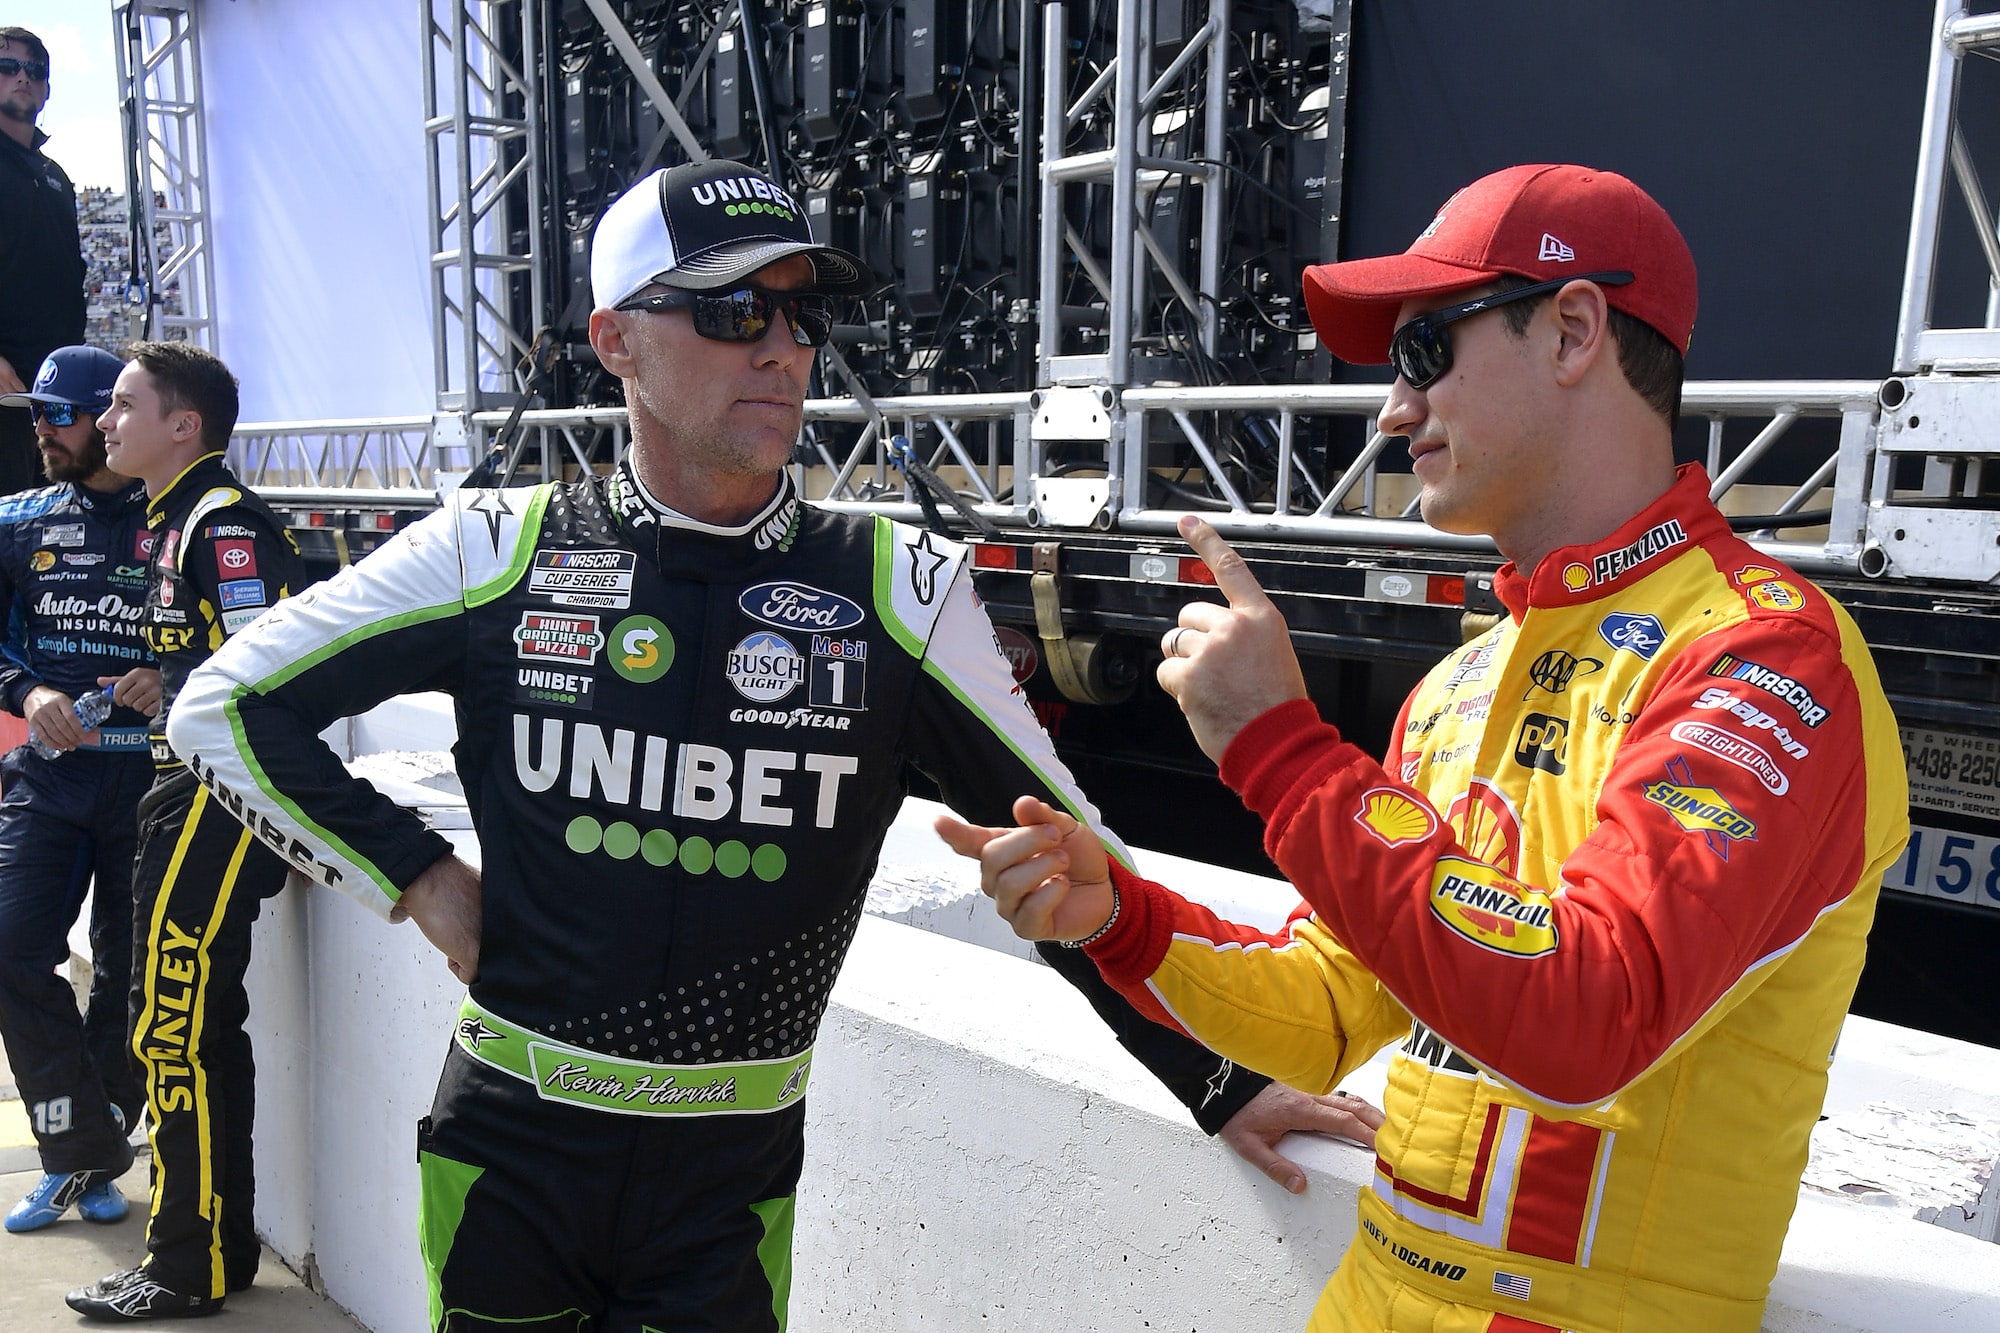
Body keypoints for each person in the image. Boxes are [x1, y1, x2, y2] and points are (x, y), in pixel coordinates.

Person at [160, 158, 1376, 1331]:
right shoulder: (496, 550)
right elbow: (218, 709)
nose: (781, 347)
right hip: (511, 1144)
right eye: (733, 307)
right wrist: (418, 877)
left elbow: (1069, 865)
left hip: (725, 1182)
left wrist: (1216, 1077)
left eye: (801, 315)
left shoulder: (899, 588)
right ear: (616, 341)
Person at [939, 163, 1910, 1333]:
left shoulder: (1764, 656)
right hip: (1372, 1295)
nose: (1391, 411)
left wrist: (1285, 753)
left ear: (1570, 330)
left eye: (1420, 354)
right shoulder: (1458, 680)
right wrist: (1119, 918)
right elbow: (1333, 1003)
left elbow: (1586, 1013)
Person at [64, 341, 304, 1321]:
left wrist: (187, 685)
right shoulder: (172, 521)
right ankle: (217, 1249)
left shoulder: (222, 520)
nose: (105, 422)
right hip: (187, 790)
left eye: (122, 405)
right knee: (191, 1030)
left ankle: (182, 1265)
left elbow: (262, 662)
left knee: (171, 1030)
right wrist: (163, 682)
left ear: (184, 425)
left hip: (218, 797)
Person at [0, 345, 157, 1233]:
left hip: (153, 780)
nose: (42, 432)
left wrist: (170, 673)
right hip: (50, 778)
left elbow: (250, 637)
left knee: (129, 975)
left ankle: (89, 1152)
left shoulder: (182, 520)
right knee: (10, 947)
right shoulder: (15, 518)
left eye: (55, 415)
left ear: (106, 417)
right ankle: (79, 1147)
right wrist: (29, 691)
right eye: (34, 415)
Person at [0, 27, 88, 498]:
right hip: (4, 386)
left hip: (55, 389)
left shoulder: (57, 176)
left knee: (53, 528)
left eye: (35, 70)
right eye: (8, 66)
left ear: (48, 89)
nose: (22, 78)